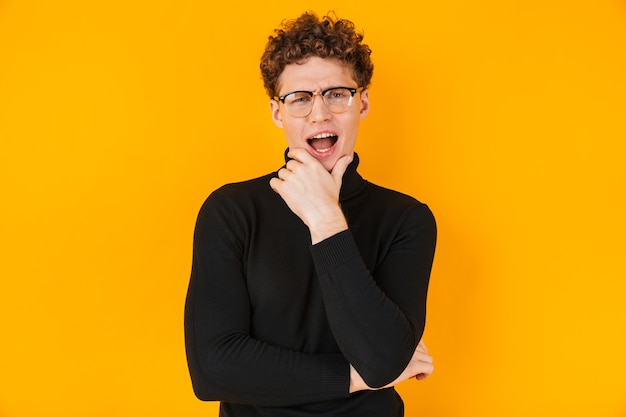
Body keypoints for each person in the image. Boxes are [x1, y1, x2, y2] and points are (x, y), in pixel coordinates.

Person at [184, 11, 437, 417]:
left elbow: (383, 357)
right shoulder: (231, 211)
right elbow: (213, 370)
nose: (319, 114)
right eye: (299, 99)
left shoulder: (406, 220)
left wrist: (326, 219)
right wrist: (356, 377)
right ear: (277, 113)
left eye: (336, 93)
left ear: (363, 102)